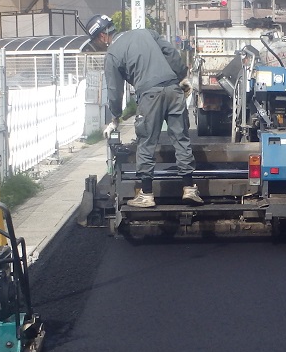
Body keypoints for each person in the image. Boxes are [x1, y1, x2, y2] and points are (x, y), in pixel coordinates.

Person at [86, 15, 202, 208]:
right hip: (174, 90)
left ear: (101, 36)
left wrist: (115, 118)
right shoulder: (146, 33)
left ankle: (146, 194)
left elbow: (114, 91)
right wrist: (181, 76)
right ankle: (189, 188)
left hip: (150, 95)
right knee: (181, 138)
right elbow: (171, 54)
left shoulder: (113, 54)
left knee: (146, 142)